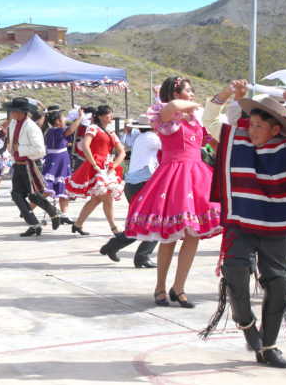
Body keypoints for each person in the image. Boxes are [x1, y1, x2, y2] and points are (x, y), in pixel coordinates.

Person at [200, 80, 286, 368]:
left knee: (280, 282)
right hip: (242, 220)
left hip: (273, 225)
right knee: (235, 268)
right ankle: (244, 321)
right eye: (251, 124)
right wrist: (225, 94)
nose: (252, 130)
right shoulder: (238, 139)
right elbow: (210, 120)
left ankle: (268, 347)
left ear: (276, 129)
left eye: (259, 126)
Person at [124, 76, 222, 308]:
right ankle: (160, 286)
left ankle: (179, 287)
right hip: (173, 176)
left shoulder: (194, 120)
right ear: (176, 93)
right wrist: (196, 106)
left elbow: (213, 142)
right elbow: (171, 107)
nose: (192, 94)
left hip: (196, 176)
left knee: (193, 235)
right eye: (188, 90)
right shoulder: (164, 116)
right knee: (169, 236)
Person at [98, 115, 160, 268]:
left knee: (141, 222)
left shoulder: (140, 136)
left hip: (134, 183)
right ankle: (142, 256)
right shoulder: (151, 137)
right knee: (156, 222)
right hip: (142, 183)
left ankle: (113, 246)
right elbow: (168, 145)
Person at [5, 97, 62, 237]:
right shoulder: (13, 123)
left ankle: (53, 213)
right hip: (18, 163)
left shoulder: (31, 127)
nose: (12, 113)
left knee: (34, 196)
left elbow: (40, 150)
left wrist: (21, 148)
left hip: (30, 164)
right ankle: (34, 224)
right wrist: (13, 152)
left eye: (14, 111)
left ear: (22, 112)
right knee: (16, 194)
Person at [66, 105, 126, 236]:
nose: (111, 116)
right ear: (100, 116)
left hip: (106, 168)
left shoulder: (111, 133)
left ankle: (78, 224)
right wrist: (93, 163)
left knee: (97, 199)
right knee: (106, 197)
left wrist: (113, 166)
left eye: (112, 113)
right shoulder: (93, 128)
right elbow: (85, 145)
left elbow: (122, 152)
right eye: (108, 113)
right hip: (96, 167)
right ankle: (114, 228)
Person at [42, 109, 82, 222]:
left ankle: (64, 214)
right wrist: (79, 118)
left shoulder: (57, 130)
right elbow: (69, 130)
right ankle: (29, 209)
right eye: (63, 119)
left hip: (62, 161)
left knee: (63, 188)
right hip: (55, 162)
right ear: (57, 121)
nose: (65, 120)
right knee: (47, 189)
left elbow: (68, 136)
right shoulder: (54, 131)